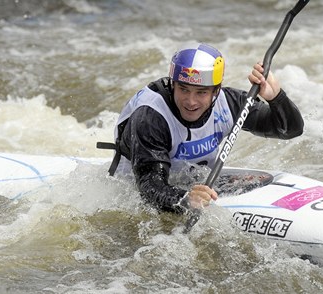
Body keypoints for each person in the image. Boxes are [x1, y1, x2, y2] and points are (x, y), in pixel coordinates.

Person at [100, 43, 304, 213]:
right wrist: (186, 200)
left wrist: (276, 97)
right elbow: (149, 187)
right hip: (132, 193)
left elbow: (290, 130)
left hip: (193, 181)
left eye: (201, 92)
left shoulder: (230, 103)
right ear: (173, 85)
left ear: (216, 91)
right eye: (184, 89)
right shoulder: (151, 116)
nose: (190, 101)